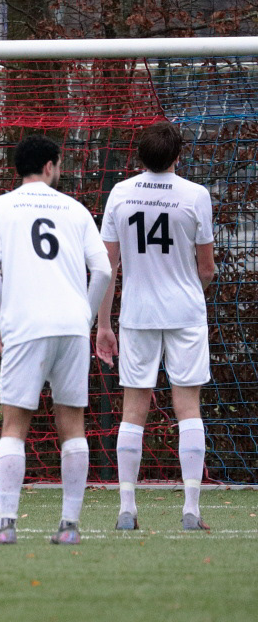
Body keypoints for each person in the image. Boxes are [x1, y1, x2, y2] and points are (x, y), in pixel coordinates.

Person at [0, 135, 112, 545]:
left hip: (26, 326)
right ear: (50, 166)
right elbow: (103, 271)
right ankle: (69, 527)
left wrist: (5, 319)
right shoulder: (75, 209)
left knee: (14, 424)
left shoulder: (0, 207)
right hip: (71, 326)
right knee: (73, 424)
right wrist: (85, 317)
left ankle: (7, 526)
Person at [95, 122, 215, 531]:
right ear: (178, 156)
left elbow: (107, 267)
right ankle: (191, 510)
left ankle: (127, 509)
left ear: (140, 156)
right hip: (185, 314)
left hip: (138, 314)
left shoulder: (120, 193)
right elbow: (206, 269)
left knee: (133, 410)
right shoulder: (196, 195)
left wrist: (103, 323)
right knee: (188, 408)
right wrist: (188, 289)